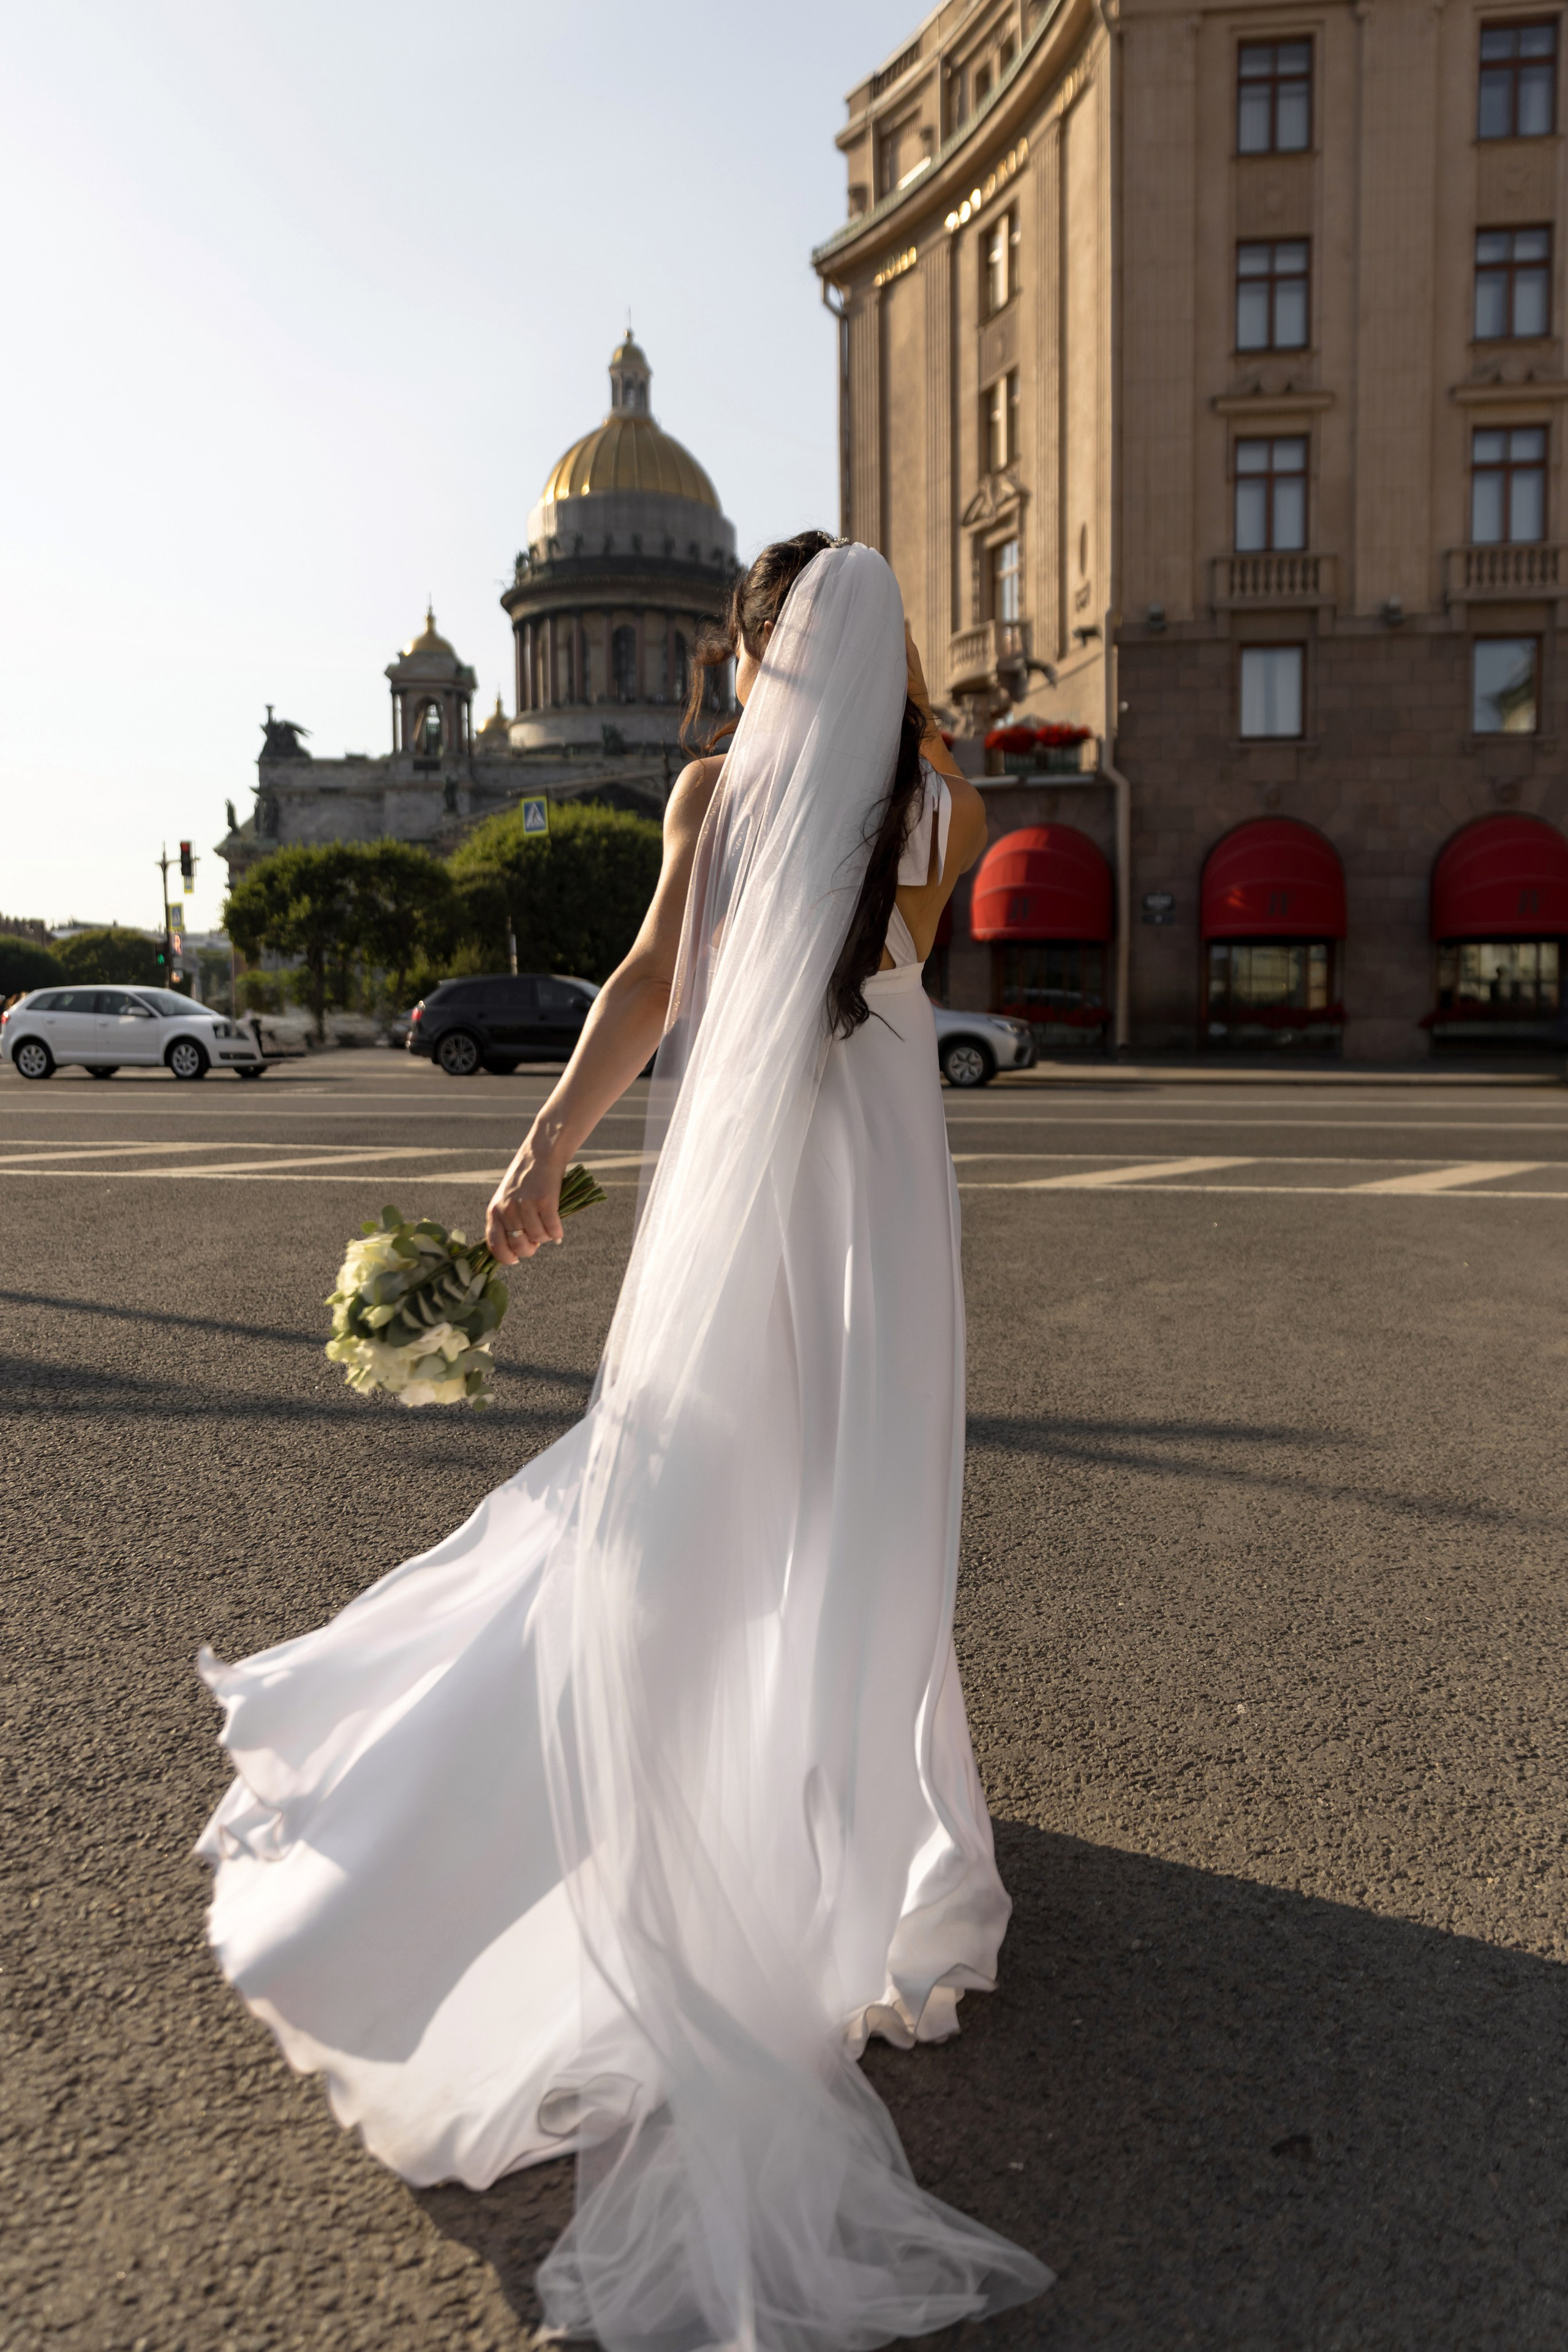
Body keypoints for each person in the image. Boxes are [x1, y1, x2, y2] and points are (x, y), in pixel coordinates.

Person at [197, 536, 1052, 2348]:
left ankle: (619, 1805)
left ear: (747, 652)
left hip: (760, 1186)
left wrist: (542, 1151)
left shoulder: (709, 795)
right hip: (883, 1188)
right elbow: (885, 965)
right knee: (861, 1497)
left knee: (682, 1487)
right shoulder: (947, 805)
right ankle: (842, 1819)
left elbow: (651, 982)